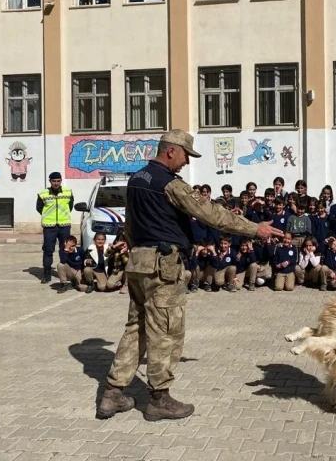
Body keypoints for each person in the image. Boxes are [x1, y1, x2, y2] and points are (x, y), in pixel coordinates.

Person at [97, 130, 283, 422]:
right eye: (185, 155)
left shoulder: (136, 179)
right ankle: (159, 398)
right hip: (162, 265)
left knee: (136, 328)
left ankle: (112, 393)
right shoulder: (171, 184)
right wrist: (255, 229)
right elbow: (212, 214)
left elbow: (131, 225)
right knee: (166, 331)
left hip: (138, 262)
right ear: (171, 151)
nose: (186, 162)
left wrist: (136, 251)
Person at [36, 171, 74, 284]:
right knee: (48, 249)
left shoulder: (68, 192)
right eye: (54, 181)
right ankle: (47, 274)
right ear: (50, 182)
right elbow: (39, 208)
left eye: (58, 181)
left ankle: (67, 273)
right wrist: (49, 217)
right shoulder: (43, 194)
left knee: (66, 249)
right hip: (49, 226)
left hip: (64, 225)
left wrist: (63, 217)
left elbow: (70, 206)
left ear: (61, 181)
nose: (56, 183)